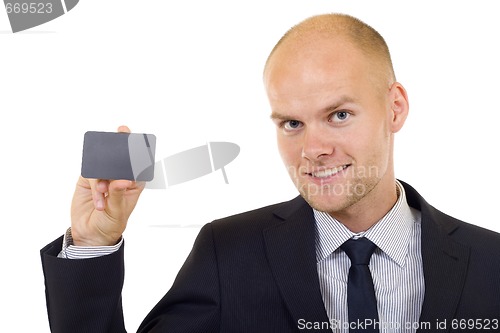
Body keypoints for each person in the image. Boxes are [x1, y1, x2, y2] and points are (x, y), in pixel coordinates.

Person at [40, 13, 500, 333]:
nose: (313, 150)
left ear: (394, 107)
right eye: (292, 124)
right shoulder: (229, 253)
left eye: (339, 115)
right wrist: (95, 244)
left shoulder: (490, 264)